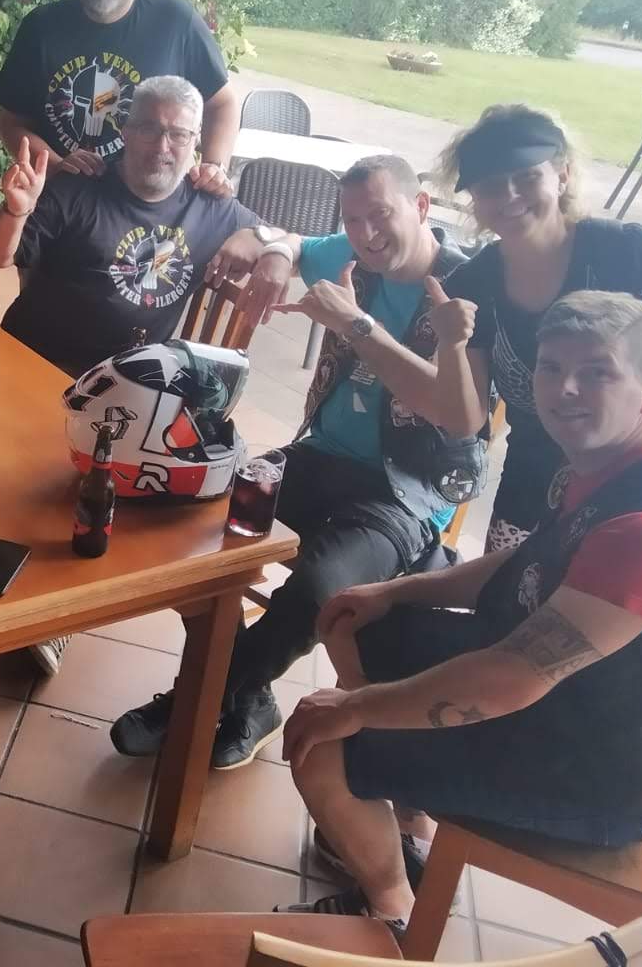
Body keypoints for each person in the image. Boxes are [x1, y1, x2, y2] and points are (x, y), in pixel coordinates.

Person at [276, 291, 642, 933]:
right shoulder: (617, 456)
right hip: (581, 703)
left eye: (597, 372)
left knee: (321, 742)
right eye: (552, 368)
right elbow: (529, 560)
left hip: (612, 773)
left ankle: (391, 911)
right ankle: (407, 828)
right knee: (362, 625)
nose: (566, 389)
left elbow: (511, 679)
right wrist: (395, 592)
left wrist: (358, 709)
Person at [109, 155, 490, 768]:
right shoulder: (354, 252)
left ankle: (191, 701)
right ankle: (249, 697)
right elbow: (293, 239)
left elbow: (452, 412)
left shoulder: (468, 289)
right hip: (318, 456)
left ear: (422, 207)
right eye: (352, 220)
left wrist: (357, 324)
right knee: (186, 518)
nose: (365, 235)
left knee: (318, 589)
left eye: (381, 215)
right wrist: (275, 253)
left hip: (404, 494)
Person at [424, 104, 642, 553]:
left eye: (527, 177)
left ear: (562, 175)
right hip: (534, 490)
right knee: (509, 593)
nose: (509, 195)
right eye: (490, 185)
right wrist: (452, 346)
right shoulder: (472, 285)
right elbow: (464, 423)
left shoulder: (628, 252)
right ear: (474, 198)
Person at [0, 75, 256, 380]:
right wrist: (16, 211)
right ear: (126, 131)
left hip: (131, 384)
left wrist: (272, 248)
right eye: (149, 129)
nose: (162, 147)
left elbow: (285, 243)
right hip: (38, 365)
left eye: (179, 134)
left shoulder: (210, 206)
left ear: (195, 139)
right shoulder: (79, 185)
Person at [0, 0, 240, 193]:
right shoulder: (40, 27)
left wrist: (214, 166)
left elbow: (222, 104)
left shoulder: (177, 22)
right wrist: (58, 167)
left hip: (150, 206)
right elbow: (11, 124)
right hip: (60, 203)